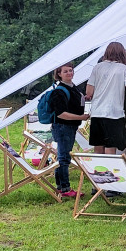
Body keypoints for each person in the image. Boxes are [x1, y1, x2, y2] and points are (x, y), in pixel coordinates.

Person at [85, 42, 126, 155]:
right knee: (110, 147)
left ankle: (97, 171)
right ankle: (109, 171)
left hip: (97, 112)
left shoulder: (97, 67)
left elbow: (88, 92)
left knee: (98, 147)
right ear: (122, 53)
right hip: (114, 113)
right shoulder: (124, 69)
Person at [49, 64, 90, 198]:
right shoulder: (59, 91)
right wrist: (81, 117)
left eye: (70, 70)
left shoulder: (73, 87)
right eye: (65, 71)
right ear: (59, 74)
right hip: (62, 126)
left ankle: (61, 186)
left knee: (63, 156)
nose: (69, 73)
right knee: (63, 158)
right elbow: (61, 113)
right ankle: (65, 188)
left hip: (70, 127)